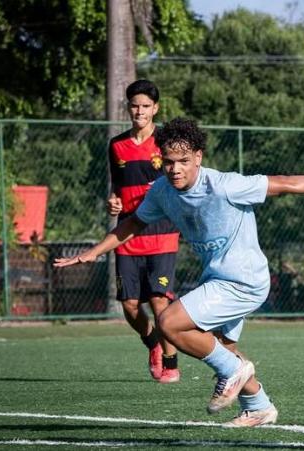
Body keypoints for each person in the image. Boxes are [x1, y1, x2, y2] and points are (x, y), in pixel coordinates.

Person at [56, 118, 304, 427]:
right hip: (217, 278)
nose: (175, 169)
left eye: (183, 161)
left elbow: (286, 183)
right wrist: (93, 251)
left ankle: (233, 372)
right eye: (168, 162)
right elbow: (133, 223)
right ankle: (259, 406)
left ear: (198, 157)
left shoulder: (225, 185)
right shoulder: (161, 191)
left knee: (169, 323)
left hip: (244, 281)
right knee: (223, 347)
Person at [107, 80, 181, 383]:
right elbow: (117, 185)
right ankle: (152, 342)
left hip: (162, 231)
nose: (140, 111)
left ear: (156, 109)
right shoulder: (116, 144)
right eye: (135, 105)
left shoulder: (167, 143)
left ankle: (171, 361)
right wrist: (113, 200)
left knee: (160, 300)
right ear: (129, 108)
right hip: (128, 233)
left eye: (146, 106)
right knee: (129, 304)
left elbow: (182, 178)